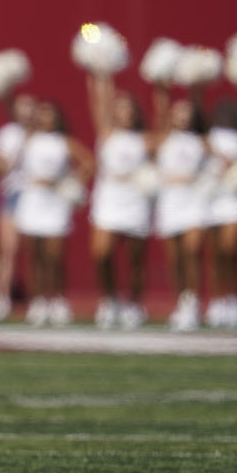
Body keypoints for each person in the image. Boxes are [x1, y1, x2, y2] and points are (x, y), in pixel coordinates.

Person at [14, 100, 94, 326]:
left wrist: (69, 182)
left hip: (55, 203)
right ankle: (38, 301)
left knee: (54, 256)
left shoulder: (65, 142)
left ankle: (57, 299)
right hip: (32, 201)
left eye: (49, 115)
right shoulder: (28, 141)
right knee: (35, 256)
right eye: (41, 115)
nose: (44, 119)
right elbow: (11, 166)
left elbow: (89, 162)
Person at [85, 71, 153, 330]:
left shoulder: (146, 139)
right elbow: (98, 100)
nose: (123, 113)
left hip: (135, 201)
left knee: (136, 260)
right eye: (119, 108)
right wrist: (100, 68)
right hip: (109, 200)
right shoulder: (107, 134)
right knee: (101, 253)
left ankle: (134, 303)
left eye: (128, 109)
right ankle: (109, 299)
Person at [151, 84, 209, 331]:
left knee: (192, 251)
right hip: (170, 203)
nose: (182, 116)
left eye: (187, 112)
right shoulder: (162, 139)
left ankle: (193, 301)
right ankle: (181, 302)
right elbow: (159, 107)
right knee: (175, 259)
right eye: (178, 112)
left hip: (194, 203)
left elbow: (226, 164)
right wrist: (161, 85)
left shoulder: (202, 142)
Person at [0, 93, 36, 320]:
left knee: (38, 251)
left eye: (30, 107)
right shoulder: (7, 135)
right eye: (22, 107)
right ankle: (0, 297)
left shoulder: (45, 135)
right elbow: (1, 168)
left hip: (37, 197)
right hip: (14, 196)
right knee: (7, 250)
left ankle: (40, 300)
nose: (27, 112)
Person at [203, 100, 237, 328]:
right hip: (213, 199)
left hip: (236, 200)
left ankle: (233, 297)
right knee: (216, 253)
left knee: (230, 249)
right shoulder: (209, 137)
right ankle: (217, 300)